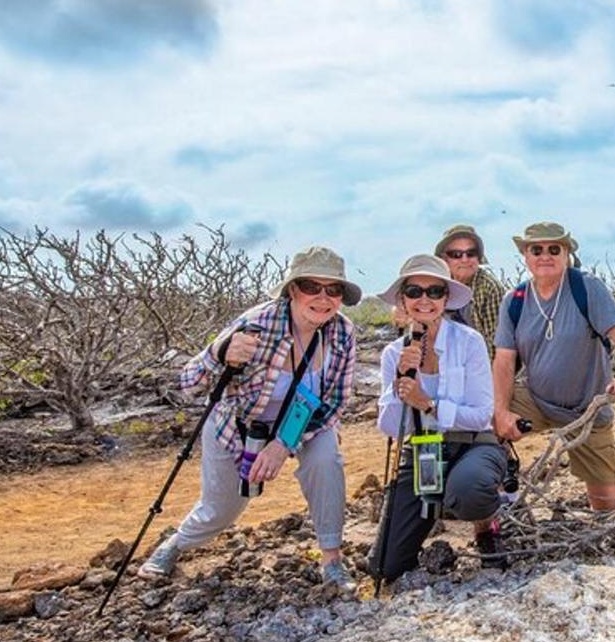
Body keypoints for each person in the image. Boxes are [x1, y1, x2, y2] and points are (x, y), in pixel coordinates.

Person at [139, 246, 361, 591]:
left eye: (333, 289)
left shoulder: (343, 334)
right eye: (311, 287)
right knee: (223, 508)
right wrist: (220, 352)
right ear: (292, 290)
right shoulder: (257, 323)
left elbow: (335, 400)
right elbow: (187, 383)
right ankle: (176, 542)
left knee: (326, 460)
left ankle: (332, 560)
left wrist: (283, 444)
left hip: (304, 423)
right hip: (238, 424)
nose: (323, 298)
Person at [492, 221, 615, 511]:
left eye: (554, 249)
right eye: (537, 249)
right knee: (482, 420)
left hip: (587, 409)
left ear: (567, 253)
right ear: (526, 255)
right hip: (537, 400)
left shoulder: (587, 288)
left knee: (607, 505)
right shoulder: (514, 300)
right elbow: (504, 360)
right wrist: (500, 411)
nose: (545, 255)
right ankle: (503, 498)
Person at [368, 254, 509, 584]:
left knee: (470, 488)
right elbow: (389, 427)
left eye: (434, 292)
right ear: (403, 300)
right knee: (385, 568)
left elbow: (479, 416)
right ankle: (427, 516)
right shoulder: (393, 353)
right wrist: (401, 379)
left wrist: (427, 403)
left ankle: (486, 526)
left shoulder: (469, 342)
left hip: (472, 445)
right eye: (415, 291)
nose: (424, 300)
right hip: (421, 451)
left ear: (446, 299)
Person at [434, 224, 506, 356]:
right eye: (456, 254)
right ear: (445, 259)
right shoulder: (436, 285)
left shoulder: (489, 288)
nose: (464, 260)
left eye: (471, 253)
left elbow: (495, 346)